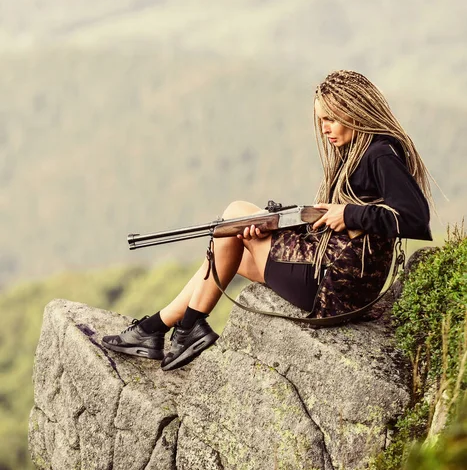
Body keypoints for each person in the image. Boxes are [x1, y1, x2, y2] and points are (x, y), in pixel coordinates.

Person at [102, 70, 433, 371]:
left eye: (331, 118)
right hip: (336, 276)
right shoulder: (359, 152)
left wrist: (345, 213)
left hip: (334, 288)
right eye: (320, 120)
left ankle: (187, 328)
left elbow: (416, 217)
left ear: (355, 111)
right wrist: (289, 220)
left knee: (234, 214)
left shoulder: (380, 152)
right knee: (229, 246)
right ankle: (157, 328)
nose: (325, 128)